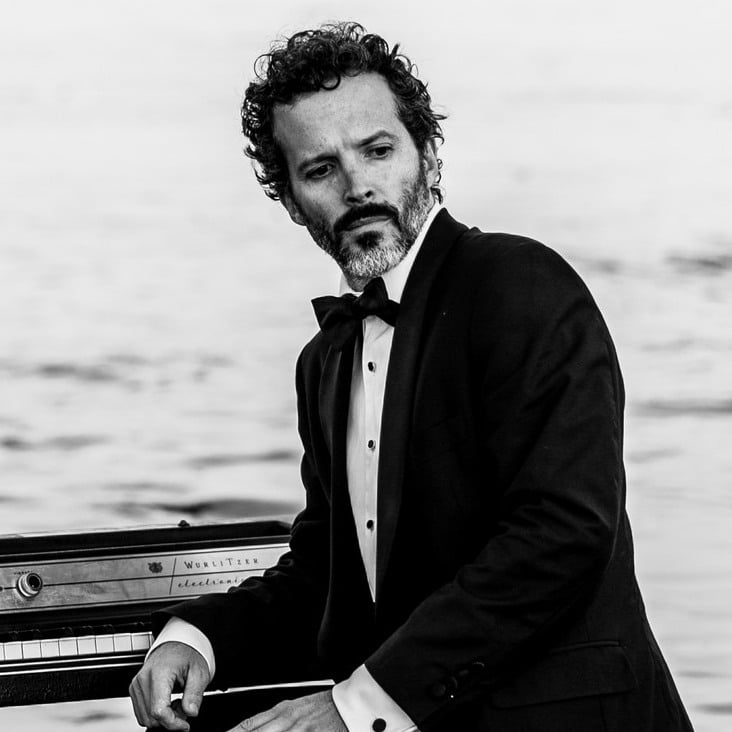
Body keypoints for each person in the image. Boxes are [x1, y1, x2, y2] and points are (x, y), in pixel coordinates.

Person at [129, 22, 693, 732]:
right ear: (290, 199)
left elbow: (562, 534)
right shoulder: (324, 362)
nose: (357, 185)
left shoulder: (521, 285)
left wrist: (354, 709)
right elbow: (328, 575)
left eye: (378, 150)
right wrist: (196, 641)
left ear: (426, 153)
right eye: (320, 169)